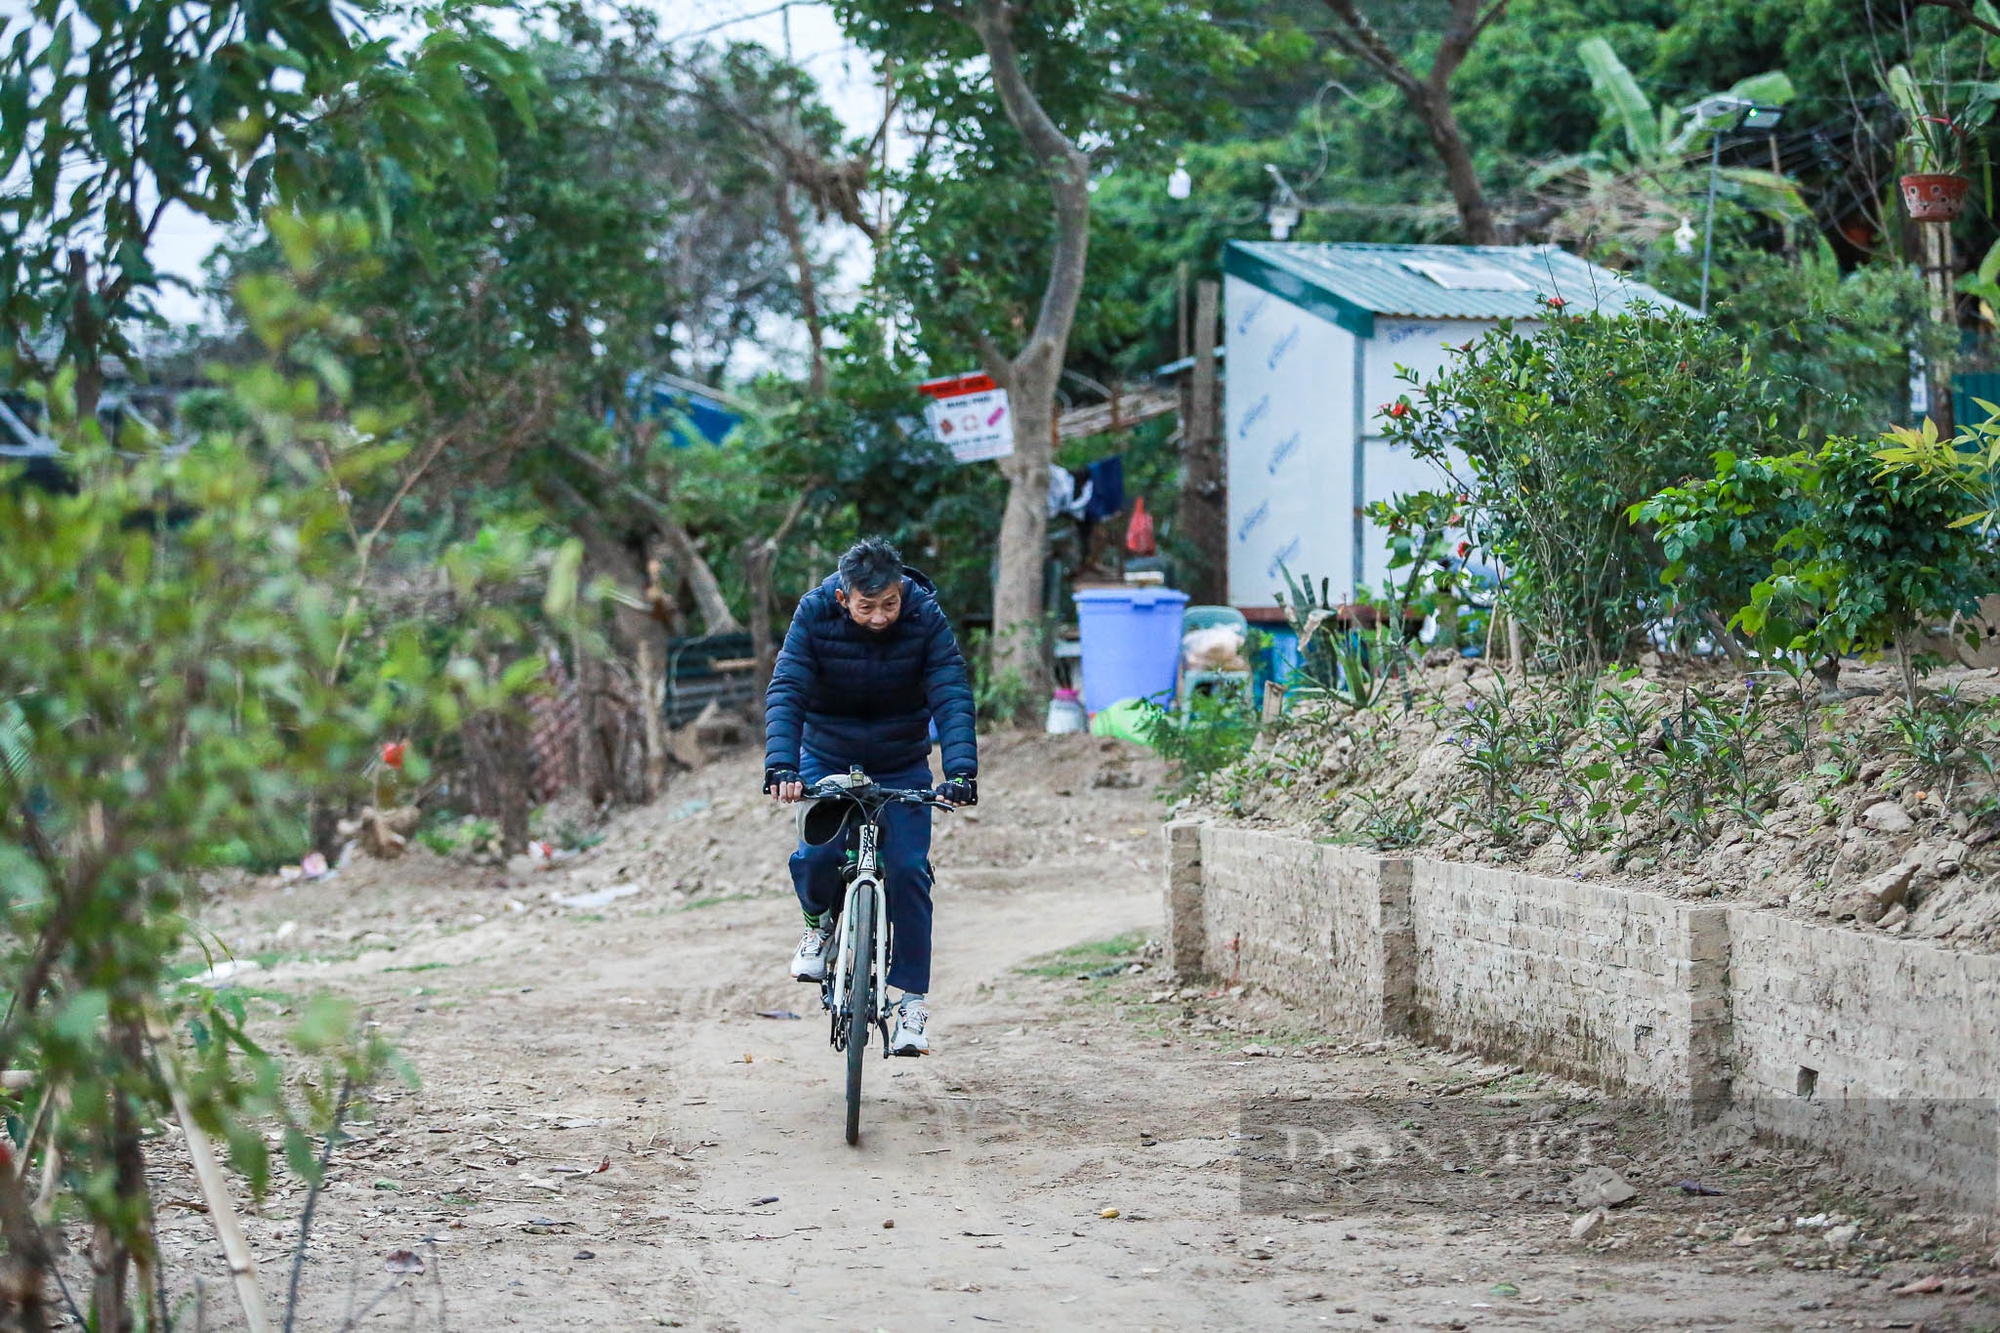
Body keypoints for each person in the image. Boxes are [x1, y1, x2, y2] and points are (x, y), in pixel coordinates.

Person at [763, 536, 978, 1056]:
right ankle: (817, 927)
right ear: (844, 598)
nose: (881, 617)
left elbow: (949, 690)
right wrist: (782, 766)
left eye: (889, 604)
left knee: (908, 870)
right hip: (826, 756)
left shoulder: (924, 616)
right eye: (867, 607)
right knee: (816, 856)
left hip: (901, 760)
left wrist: (961, 770)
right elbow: (788, 687)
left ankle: (912, 1006)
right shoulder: (814, 613)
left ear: (902, 590)